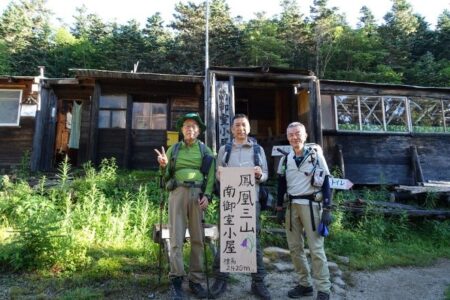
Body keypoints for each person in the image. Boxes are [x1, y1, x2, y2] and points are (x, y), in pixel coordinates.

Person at [209, 113, 271, 300]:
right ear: (231, 129)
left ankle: (258, 282)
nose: (240, 128)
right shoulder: (224, 150)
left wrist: (260, 174)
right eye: (237, 125)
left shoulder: (258, 150)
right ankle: (221, 279)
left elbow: (266, 175)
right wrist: (220, 174)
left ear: (248, 128)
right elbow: (218, 174)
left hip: (251, 201)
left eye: (243, 125)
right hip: (229, 201)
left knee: (253, 240)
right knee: (226, 238)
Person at [154, 112, 215, 300]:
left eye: (194, 127)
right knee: (176, 238)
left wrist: (208, 195)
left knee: (197, 238)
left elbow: (211, 176)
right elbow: (164, 177)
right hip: (177, 194)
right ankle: (177, 280)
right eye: (187, 126)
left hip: (198, 195)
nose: (190, 129)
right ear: (182, 130)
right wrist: (163, 166)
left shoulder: (205, 151)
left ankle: (196, 280)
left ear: (198, 131)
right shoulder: (174, 150)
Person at [276, 122, 332, 300]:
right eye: (291, 134)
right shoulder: (286, 158)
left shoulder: (316, 154)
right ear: (287, 137)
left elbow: (326, 181)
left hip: (312, 205)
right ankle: (304, 284)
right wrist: (279, 206)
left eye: (298, 133)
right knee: (294, 247)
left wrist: (328, 208)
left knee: (316, 248)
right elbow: (281, 183)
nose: (294, 137)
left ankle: (323, 289)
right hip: (291, 206)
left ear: (305, 135)